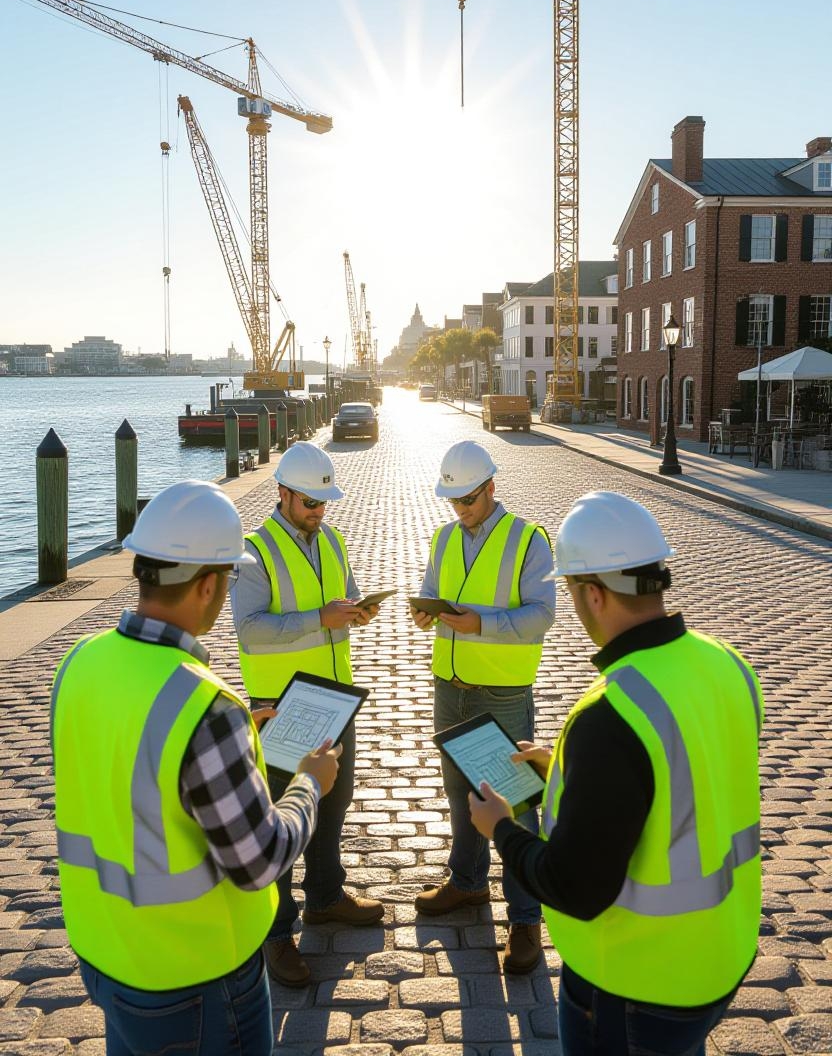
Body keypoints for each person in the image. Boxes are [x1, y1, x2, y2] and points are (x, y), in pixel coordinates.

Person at [51, 480, 341, 1056]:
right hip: (196, 978)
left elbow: (128, 762)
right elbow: (260, 859)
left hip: (107, 955)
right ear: (209, 584)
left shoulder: (79, 661)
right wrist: (310, 783)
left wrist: (221, 747)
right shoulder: (206, 708)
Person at [469, 490, 763, 1055]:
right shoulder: (727, 661)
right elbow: (685, 778)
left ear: (594, 594)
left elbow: (573, 886)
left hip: (636, 982)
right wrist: (565, 772)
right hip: (719, 953)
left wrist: (500, 828)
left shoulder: (613, 713)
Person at [231, 441, 384, 987]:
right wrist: (320, 618)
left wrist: (358, 611)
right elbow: (250, 631)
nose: (320, 511)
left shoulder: (333, 540)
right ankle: (276, 933)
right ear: (283, 494)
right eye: (311, 503)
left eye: (324, 502)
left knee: (334, 801)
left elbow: (347, 597)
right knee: (276, 818)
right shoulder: (254, 552)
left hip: (335, 699)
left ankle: (325, 897)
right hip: (282, 707)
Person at [410, 440, 555, 974]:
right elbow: (431, 589)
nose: (460, 509)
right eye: (453, 500)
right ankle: (468, 881)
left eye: (468, 499)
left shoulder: (528, 539)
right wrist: (425, 613)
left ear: (491, 487)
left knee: (515, 803)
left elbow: (541, 615)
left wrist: (481, 624)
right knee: (458, 792)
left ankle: (525, 918)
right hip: (449, 685)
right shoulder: (444, 537)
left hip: (501, 691)